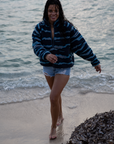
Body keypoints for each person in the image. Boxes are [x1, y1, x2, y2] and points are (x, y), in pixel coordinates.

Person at [32, 0, 101, 140]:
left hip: (64, 66)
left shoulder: (67, 27)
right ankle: (60, 116)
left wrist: (94, 60)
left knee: (53, 97)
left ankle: (53, 128)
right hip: (47, 66)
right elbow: (36, 44)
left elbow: (81, 44)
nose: (53, 13)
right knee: (55, 95)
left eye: (56, 11)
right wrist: (45, 54)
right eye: (50, 10)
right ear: (46, 11)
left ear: (60, 11)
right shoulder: (39, 28)